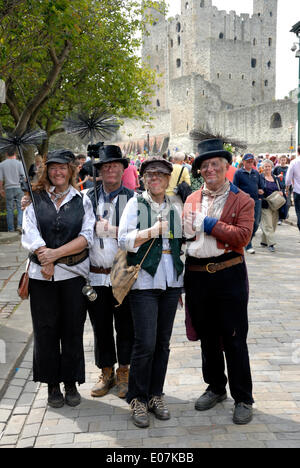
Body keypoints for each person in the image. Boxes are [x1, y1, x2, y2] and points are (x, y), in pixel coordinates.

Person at [183, 138, 255, 425]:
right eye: (205, 165)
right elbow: (183, 237)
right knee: (207, 337)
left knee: (235, 337)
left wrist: (208, 224)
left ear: (226, 167)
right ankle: (215, 387)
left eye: (215, 164)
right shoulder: (190, 199)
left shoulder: (243, 199)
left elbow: (242, 237)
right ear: (200, 170)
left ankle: (243, 397)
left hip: (228, 274)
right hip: (197, 276)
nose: (210, 169)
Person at [21, 149, 95, 408]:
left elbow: (87, 237)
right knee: (46, 331)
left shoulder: (82, 199)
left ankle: (71, 382)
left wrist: (55, 255)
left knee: (72, 330)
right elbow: (29, 231)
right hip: (42, 277)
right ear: (47, 171)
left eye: (63, 167)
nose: (58, 172)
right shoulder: (33, 199)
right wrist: (45, 258)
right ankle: (52, 384)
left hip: (73, 275)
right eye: (53, 167)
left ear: (71, 170)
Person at [118, 156, 184, 428]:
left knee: (162, 344)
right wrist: (151, 231)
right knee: (145, 343)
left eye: (160, 175)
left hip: (171, 282)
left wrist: (181, 283)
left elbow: (180, 245)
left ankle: (156, 393)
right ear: (143, 178)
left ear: (168, 180)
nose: (154, 178)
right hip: (144, 281)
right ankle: (137, 397)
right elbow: (123, 239)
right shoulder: (135, 203)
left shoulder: (174, 206)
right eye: (149, 174)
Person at [87, 145, 135, 399]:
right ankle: (107, 371)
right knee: (100, 326)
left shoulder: (134, 198)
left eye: (115, 165)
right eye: (106, 166)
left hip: (122, 271)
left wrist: (113, 229)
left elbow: (140, 234)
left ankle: (124, 371)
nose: (110, 169)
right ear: (100, 171)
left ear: (122, 168)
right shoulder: (87, 197)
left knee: (125, 325)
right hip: (95, 274)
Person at [233, 153, 264, 254]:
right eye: (248, 161)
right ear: (244, 162)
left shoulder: (256, 173)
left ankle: (247, 240)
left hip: (256, 201)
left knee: (256, 223)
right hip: (244, 202)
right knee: (247, 223)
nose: (250, 163)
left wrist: (260, 193)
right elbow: (235, 188)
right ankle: (248, 244)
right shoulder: (239, 173)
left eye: (252, 161)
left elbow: (260, 186)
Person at [260, 159, 285, 252]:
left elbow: (281, 188)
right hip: (265, 203)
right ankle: (271, 244)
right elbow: (257, 189)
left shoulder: (275, 178)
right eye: (265, 166)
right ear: (262, 168)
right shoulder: (260, 178)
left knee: (273, 224)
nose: (267, 168)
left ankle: (264, 241)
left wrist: (281, 192)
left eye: (269, 166)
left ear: (271, 167)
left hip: (276, 204)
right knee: (268, 224)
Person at [0, 149, 25, 232]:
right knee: (20, 207)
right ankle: (19, 225)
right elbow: (24, 177)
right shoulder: (19, 163)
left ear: (6, 154)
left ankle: (10, 229)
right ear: (15, 153)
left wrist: (1, 189)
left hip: (8, 188)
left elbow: (0, 179)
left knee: (9, 209)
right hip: (18, 187)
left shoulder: (2, 164)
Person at [286, 146, 300, 235]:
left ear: (297, 152)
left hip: (298, 191)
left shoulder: (294, 162)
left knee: (299, 212)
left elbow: (288, 178)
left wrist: (287, 187)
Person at [273, 155, 290, 224]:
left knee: (287, 203)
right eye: (282, 160)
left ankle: (285, 214)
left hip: (288, 187)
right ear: (279, 160)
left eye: (284, 160)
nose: (283, 161)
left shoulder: (288, 168)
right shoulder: (277, 168)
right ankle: (280, 218)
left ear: (286, 160)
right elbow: (272, 176)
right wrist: (277, 176)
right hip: (279, 188)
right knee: (280, 203)